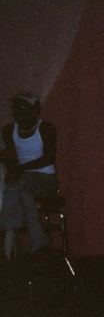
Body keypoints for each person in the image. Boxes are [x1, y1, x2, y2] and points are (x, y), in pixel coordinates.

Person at [0, 93, 59, 258]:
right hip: (23, 181)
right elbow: (12, 157)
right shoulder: (8, 130)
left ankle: (6, 232)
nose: (17, 112)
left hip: (46, 178)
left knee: (17, 184)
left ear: (34, 111)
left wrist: (19, 170)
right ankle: (39, 241)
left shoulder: (46, 128)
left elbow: (48, 158)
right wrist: (12, 170)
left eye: (22, 108)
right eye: (15, 108)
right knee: (24, 194)